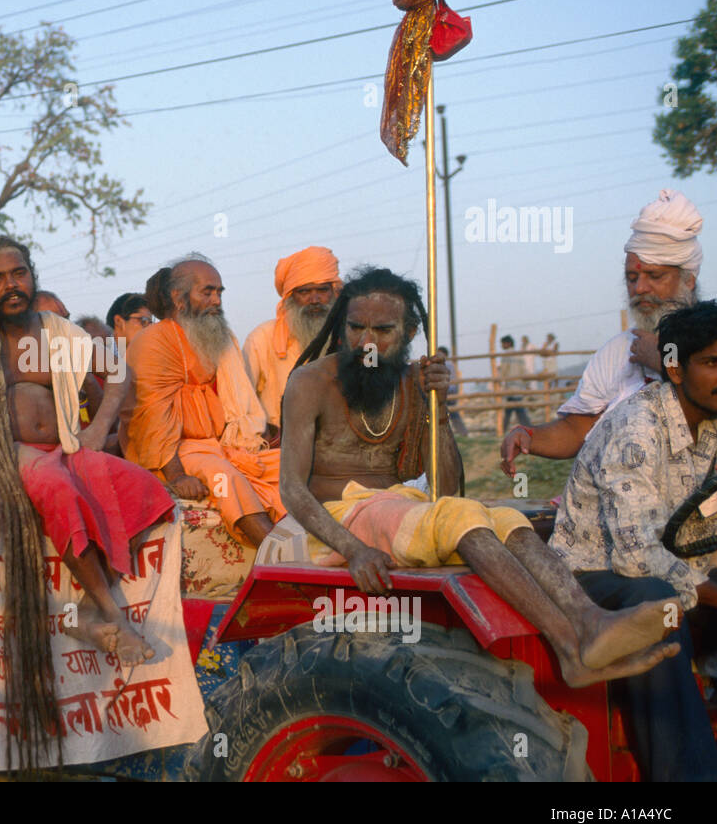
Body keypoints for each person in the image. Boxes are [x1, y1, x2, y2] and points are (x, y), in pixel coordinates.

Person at [279, 266, 678, 689]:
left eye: (383, 330)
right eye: (356, 327)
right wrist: (355, 551)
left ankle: (589, 619)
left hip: (401, 509)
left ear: (411, 331)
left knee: (507, 521)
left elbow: (448, 490)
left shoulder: (414, 382)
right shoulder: (310, 382)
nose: (367, 342)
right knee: (458, 518)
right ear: (342, 328)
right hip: (340, 517)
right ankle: (568, 647)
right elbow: (291, 488)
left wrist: (440, 408)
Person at [0, 236, 176, 768]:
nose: (11, 286)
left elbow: (118, 374)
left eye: (19, 274)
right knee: (56, 487)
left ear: (32, 274)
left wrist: (97, 428)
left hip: (64, 447)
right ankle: (110, 610)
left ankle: (89, 612)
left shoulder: (55, 334)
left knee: (146, 490)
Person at [549, 301, 717, 780]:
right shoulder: (636, 427)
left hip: (667, 567)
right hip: (593, 576)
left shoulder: (713, 424)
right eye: (712, 363)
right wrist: (711, 592)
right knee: (658, 607)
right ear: (674, 367)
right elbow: (637, 556)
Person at [501, 189, 702, 476]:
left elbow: (710, 396)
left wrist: (662, 360)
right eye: (632, 278)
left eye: (654, 276)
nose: (639, 288)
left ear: (689, 280)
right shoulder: (620, 350)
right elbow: (577, 429)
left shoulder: (713, 341)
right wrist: (527, 436)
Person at [122, 256, 284, 548]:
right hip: (172, 451)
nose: (216, 301)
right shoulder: (153, 340)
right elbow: (149, 418)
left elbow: (238, 404)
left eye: (220, 292)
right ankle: (280, 555)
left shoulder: (217, 339)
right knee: (224, 476)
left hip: (220, 445)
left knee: (287, 465)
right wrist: (177, 475)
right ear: (178, 298)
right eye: (207, 292)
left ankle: (309, 543)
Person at [242, 246, 341, 431]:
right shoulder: (262, 338)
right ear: (290, 297)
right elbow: (242, 400)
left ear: (335, 292)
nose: (315, 299)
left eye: (322, 290)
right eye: (304, 292)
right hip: (280, 445)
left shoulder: (349, 337)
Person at [498, 335, 532, 430]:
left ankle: (503, 429)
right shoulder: (519, 355)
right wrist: (526, 384)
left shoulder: (506, 355)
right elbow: (524, 371)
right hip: (518, 387)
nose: (502, 346)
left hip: (510, 387)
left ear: (508, 343)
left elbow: (503, 371)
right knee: (516, 411)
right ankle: (529, 428)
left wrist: (499, 381)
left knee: (515, 411)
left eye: (503, 344)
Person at [439, 346, 468, 434]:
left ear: (444, 354)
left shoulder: (447, 364)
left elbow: (449, 380)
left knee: (452, 413)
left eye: (439, 353)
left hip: (449, 391)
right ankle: (461, 432)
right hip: (448, 390)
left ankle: (462, 432)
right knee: (449, 413)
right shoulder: (447, 364)